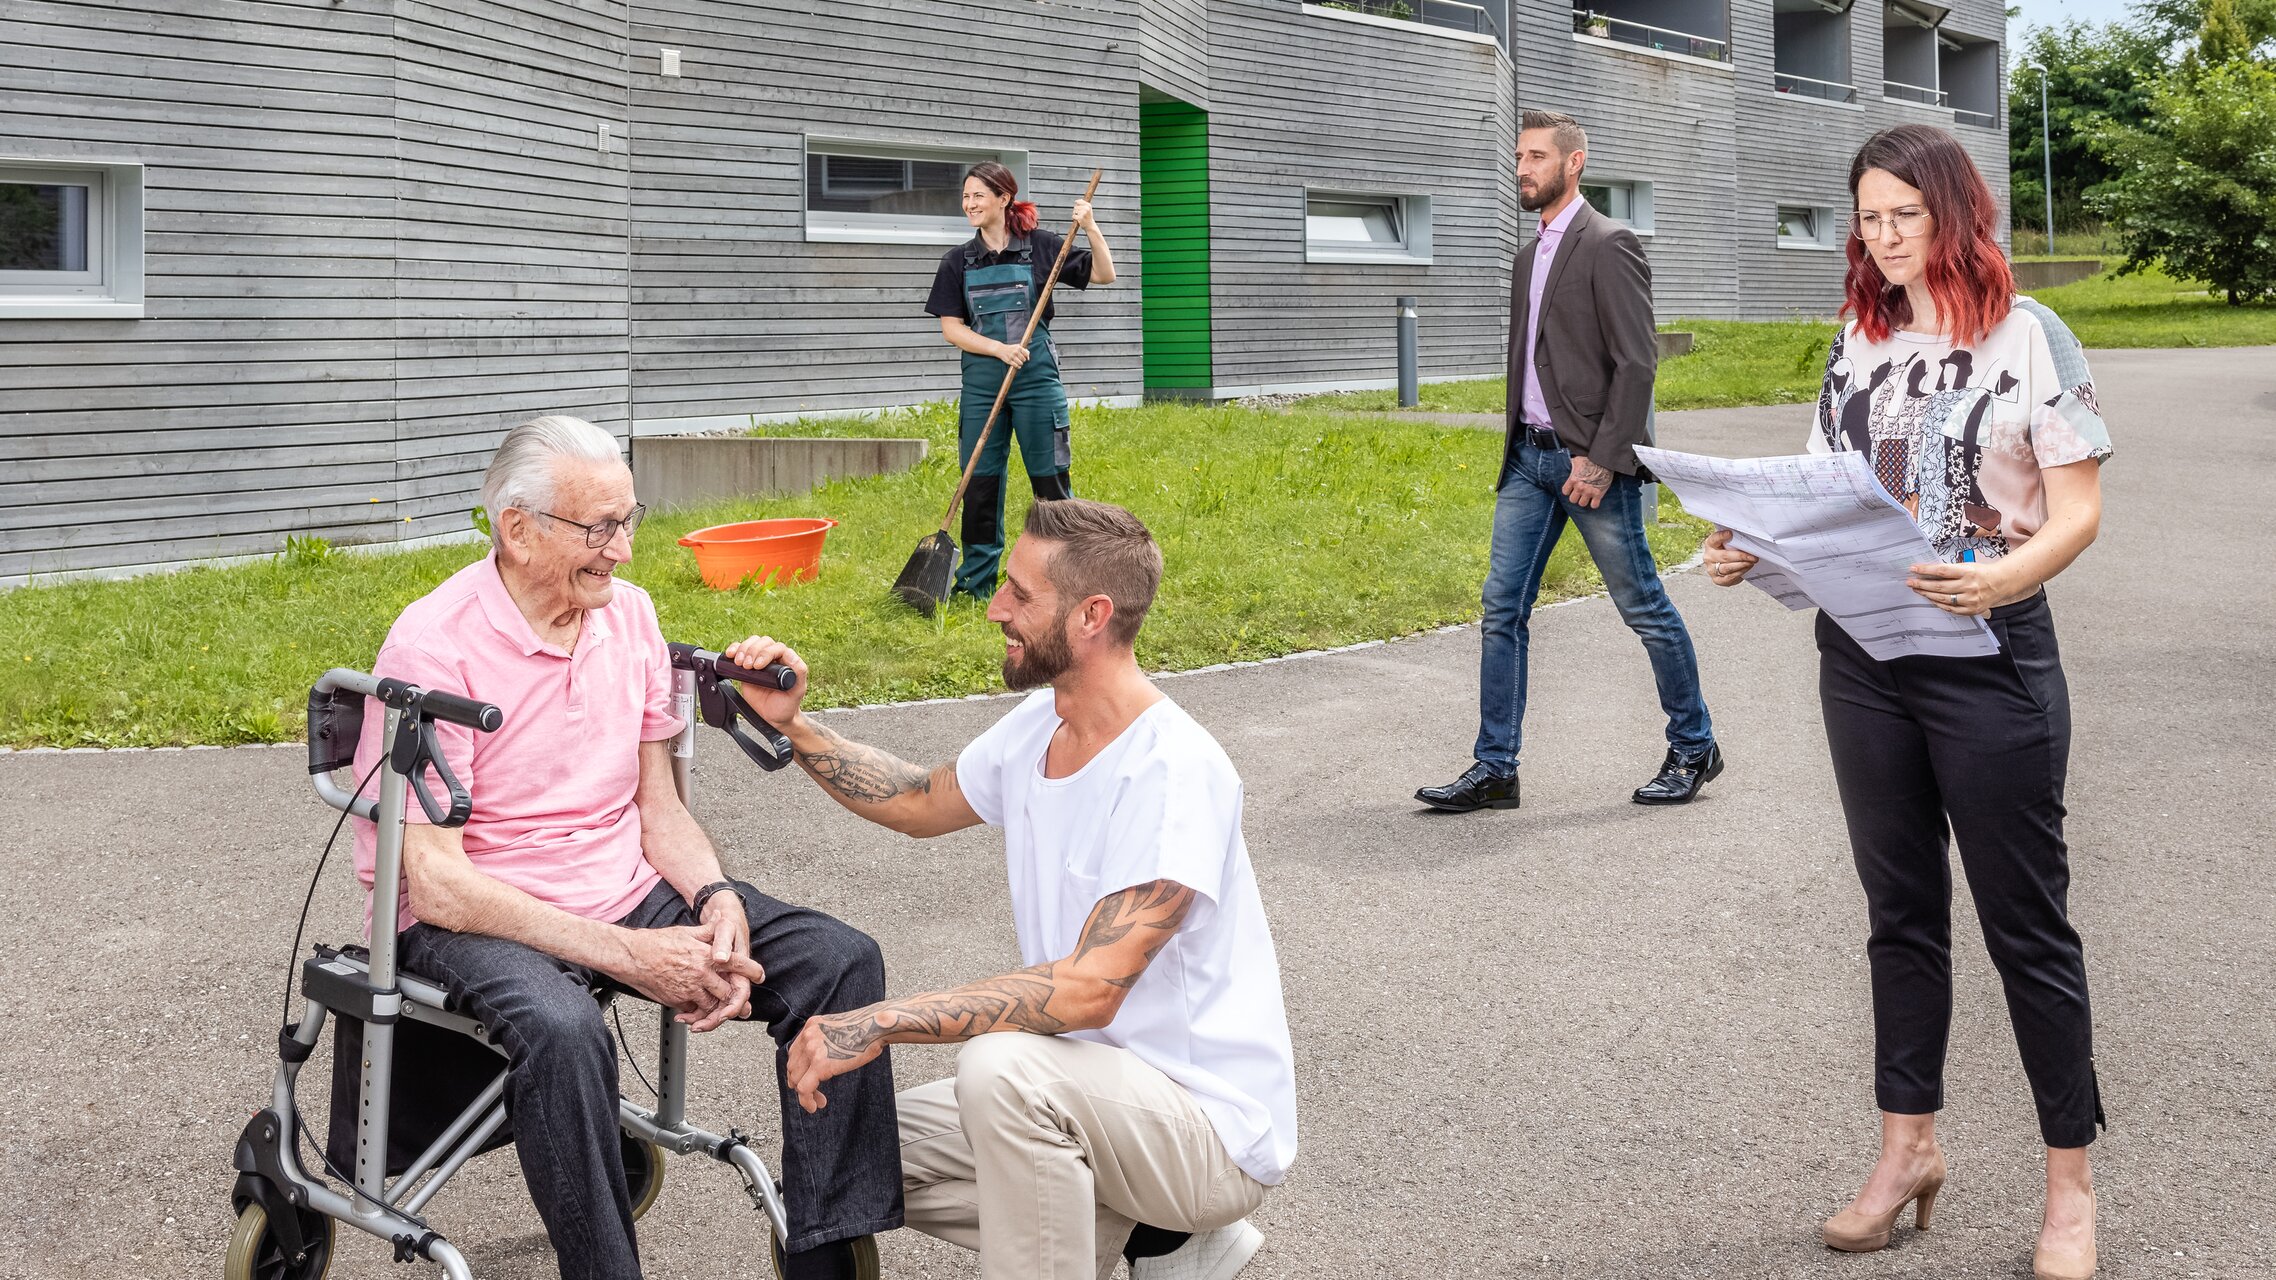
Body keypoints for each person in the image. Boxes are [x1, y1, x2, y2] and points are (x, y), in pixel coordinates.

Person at [351, 415, 902, 1280]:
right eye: (599, 528)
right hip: (482, 911)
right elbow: (441, 885)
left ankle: (826, 1255)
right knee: (567, 1030)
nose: (626, 551)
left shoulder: (629, 618)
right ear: (518, 528)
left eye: (630, 520)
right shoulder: (433, 647)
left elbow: (659, 808)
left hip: (622, 883)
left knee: (839, 963)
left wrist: (716, 895)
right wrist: (633, 956)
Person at [1702, 125, 2111, 1280]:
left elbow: (2073, 509)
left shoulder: (2030, 338)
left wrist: (1999, 576)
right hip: (1863, 654)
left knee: (2025, 927)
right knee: (1899, 913)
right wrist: (1747, 538)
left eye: (1902, 216)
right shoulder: (1858, 337)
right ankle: (1905, 1151)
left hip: (1986, 652)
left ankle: (2067, 1189)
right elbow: (1824, 492)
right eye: (1866, 218)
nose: (1881, 239)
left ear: (1951, 214)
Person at [721, 498, 1297, 1280]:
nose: (995, 607)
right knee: (848, 1152)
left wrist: (882, 1022)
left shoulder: (1172, 774)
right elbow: (922, 798)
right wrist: (796, 724)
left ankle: (1158, 1228)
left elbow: (1090, 991)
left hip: (1202, 1129)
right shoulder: (1041, 722)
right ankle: (1153, 1242)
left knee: (1004, 1071)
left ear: (1093, 615)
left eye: (1020, 595)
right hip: (1085, 1095)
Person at [1418, 109, 1722, 814]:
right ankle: (1495, 767)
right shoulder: (1529, 255)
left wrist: (1604, 460)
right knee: (1501, 609)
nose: (1522, 168)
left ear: (1573, 163)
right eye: (1519, 157)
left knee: (1642, 604)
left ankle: (1695, 743)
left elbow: (1637, 362)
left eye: (1535, 157)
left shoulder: (1609, 243)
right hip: (1527, 459)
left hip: (1588, 466)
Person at [924, 161, 1117, 602]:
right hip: (982, 386)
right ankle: (976, 585)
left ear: (1003, 198)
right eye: (966, 196)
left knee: (1050, 481)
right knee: (981, 483)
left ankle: (1061, 579)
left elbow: (1105, 274)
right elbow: (952, 329)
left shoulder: (1043, 247)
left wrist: (1089, 226)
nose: (969, 204)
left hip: (1035, 382)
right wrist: (998, 350)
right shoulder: (957, 261)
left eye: (978, 196)